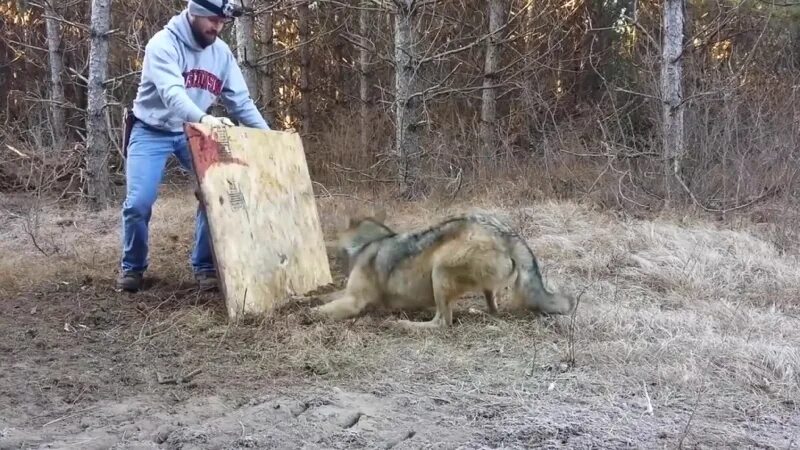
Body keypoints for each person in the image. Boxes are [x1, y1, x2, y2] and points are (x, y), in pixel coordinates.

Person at [116, 0, 270, 293]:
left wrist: (269, 139)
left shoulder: (221, 54)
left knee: (216, 191)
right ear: (194, 13)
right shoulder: (162, 45)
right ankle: (133, 267)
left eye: (222, 22)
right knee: (139, 203)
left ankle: (205, 266)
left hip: (196, 130)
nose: (217, 27)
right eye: (212, 20)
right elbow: (173, 95)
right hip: (151, 129)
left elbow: (241, 103)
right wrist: (205, 119)